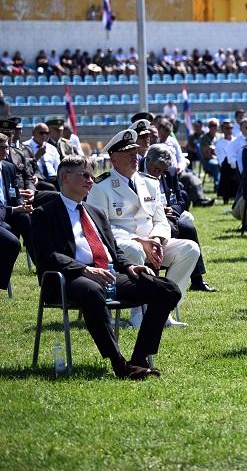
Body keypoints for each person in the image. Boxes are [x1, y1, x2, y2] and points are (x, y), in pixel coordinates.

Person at [31, 154, 181, 380]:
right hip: (68, 278)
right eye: (84, 176)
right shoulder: (45, 213)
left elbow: (113, 250)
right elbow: (46, 256)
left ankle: (139, 358)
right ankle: (118, 363)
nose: (90, 181)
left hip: (108, 274)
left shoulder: (96, 212)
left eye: (91, 176)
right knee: (92, 290)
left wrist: (130, 266)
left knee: (167, 289)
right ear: (64, 177)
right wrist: (84, 270)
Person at [86, 129, 200, 328]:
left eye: (135, 153)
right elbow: (102, 228)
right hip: (122, 247)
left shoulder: (149, 182)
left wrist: (156, 239)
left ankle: (163, 309)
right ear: (113, 159)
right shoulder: (101, 186)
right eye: (128, 154)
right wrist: (141, 242)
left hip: (153, 243)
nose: (135, 158)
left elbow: (160, 219)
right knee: (134, 250)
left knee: (190, 249)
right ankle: (138, 315)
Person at [143, 144, 216, 292]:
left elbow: (181, 198)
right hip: (146, 218)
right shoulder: (135, 172)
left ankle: (197, 279)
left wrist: (173, 210)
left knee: (188, 229)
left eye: (162, 171)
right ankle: (155, 280)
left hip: (167, 217)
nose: (158, 174)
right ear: (148, 160)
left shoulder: (169, 172)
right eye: (156, 170)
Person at [0, 132, 29, 291]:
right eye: (2, 147)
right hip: (3, 213)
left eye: (7, 147)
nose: (6, 151)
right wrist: (14, 209)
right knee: (11, 242)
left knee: (28, 220)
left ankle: (42, 265)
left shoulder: (8, 167)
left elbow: (15, 193)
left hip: (8, 212)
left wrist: (21, 207)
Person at [27, 123, 60, 190]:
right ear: (33, 133)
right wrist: (36, 157)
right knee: (51, 188)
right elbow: (25, 166)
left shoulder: (52, 148)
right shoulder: (26, 147)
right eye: (41, 133)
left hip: (53, 178)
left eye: (47, 133)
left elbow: (58, 167)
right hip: (37, 178)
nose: (44, 135)